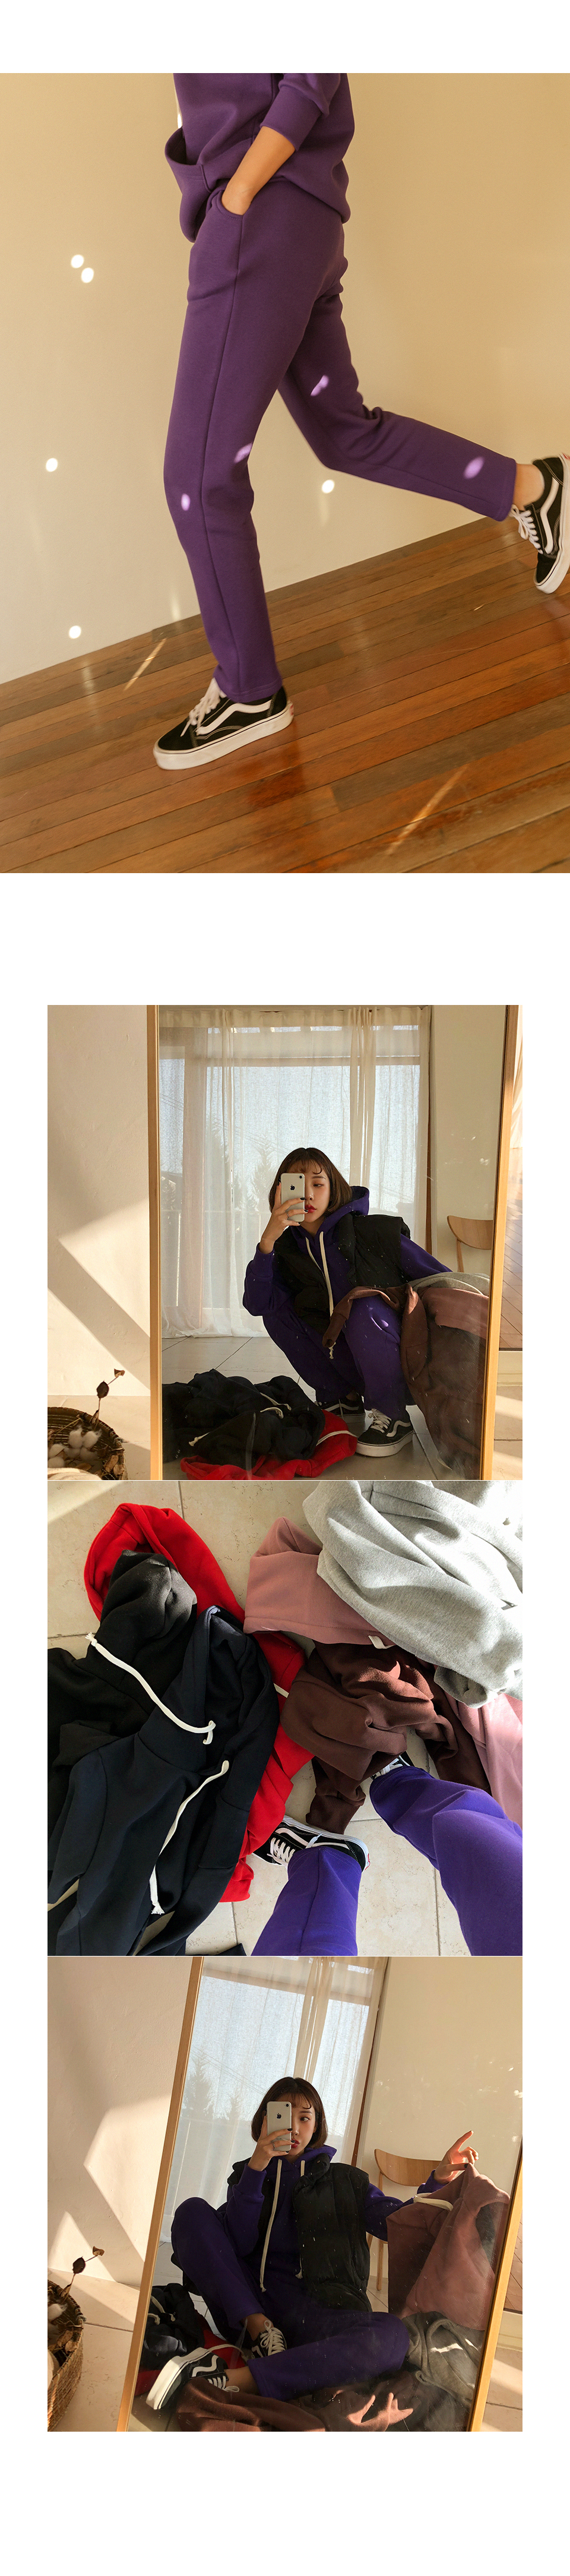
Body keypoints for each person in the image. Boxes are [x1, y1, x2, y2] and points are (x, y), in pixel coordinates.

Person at [153, 75, 569, 774]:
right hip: (298, 217)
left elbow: (313, 68)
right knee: (345, 431)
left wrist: (240, 193)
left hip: (262, 211)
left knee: (198, 480)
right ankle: (537, 487)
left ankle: (249, 690)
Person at [148, 2078, 479, 2414]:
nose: (293, 2127)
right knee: (191, 2211)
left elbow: (396, 2224)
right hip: (249, 2309)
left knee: (393, 2336)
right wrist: (256, 2168)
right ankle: (263, 2337)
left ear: (317, 2126)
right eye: (282, 2115)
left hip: (319, 2315)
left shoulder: (347, 2181)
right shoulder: (248, 2176)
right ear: (264, 2121)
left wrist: (437, 2181)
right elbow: (237, 2243)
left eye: (305, 2118)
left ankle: (240, 2380)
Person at [242, 1146, 448, 1454]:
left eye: (318, 1184)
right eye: (298, 1184)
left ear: (334, 1189)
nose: (308, 1195)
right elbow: (257, 1305)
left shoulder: (374, 1231)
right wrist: (268, 1241)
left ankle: (393, 1416)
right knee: (276, 1310)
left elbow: (439, 1279)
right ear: (280, 1192)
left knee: (361, 1305)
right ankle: (341, 1398)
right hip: (345, 1362)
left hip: (402, 1363)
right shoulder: (285, 1250)